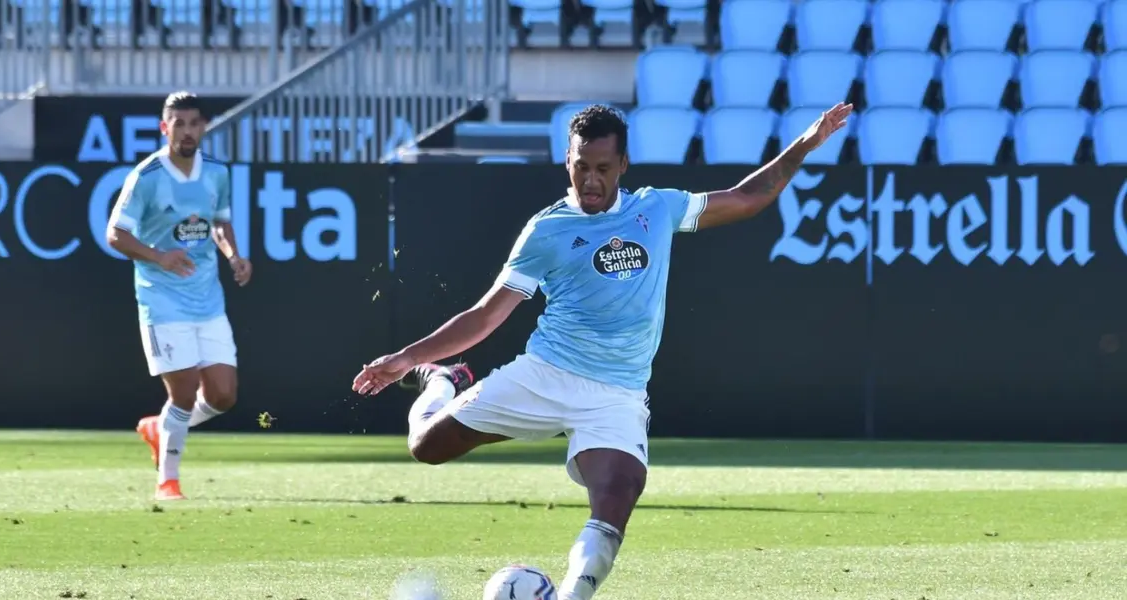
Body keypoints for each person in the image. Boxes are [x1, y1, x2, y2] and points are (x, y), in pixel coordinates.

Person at [353, 101, 852, 599]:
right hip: (546, 374)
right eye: (581, 167)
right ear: (567, 162)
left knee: (617, 499)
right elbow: (485, 316)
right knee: (426, 447)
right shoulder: (546, 229)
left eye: (603, 169)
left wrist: (805, 144)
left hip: (616, 394)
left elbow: (748, 198)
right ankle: (443, 380)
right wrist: (407, 359)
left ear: (623, 165)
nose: (590, 180)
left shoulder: (657, 208)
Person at [105, 91, 253, 501]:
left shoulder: (217, 172)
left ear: (204, 127)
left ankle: (161, 427)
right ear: (164, 128)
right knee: (183, 393)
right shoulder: (148, 176)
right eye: (179, 124)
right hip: (162, 299)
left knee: (223, 395)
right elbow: (115, 234)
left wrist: (234, 255)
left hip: (208, 298)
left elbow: (219, 222)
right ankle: (167, 481)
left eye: (194, 123)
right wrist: (159, 257)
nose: (187, 132)